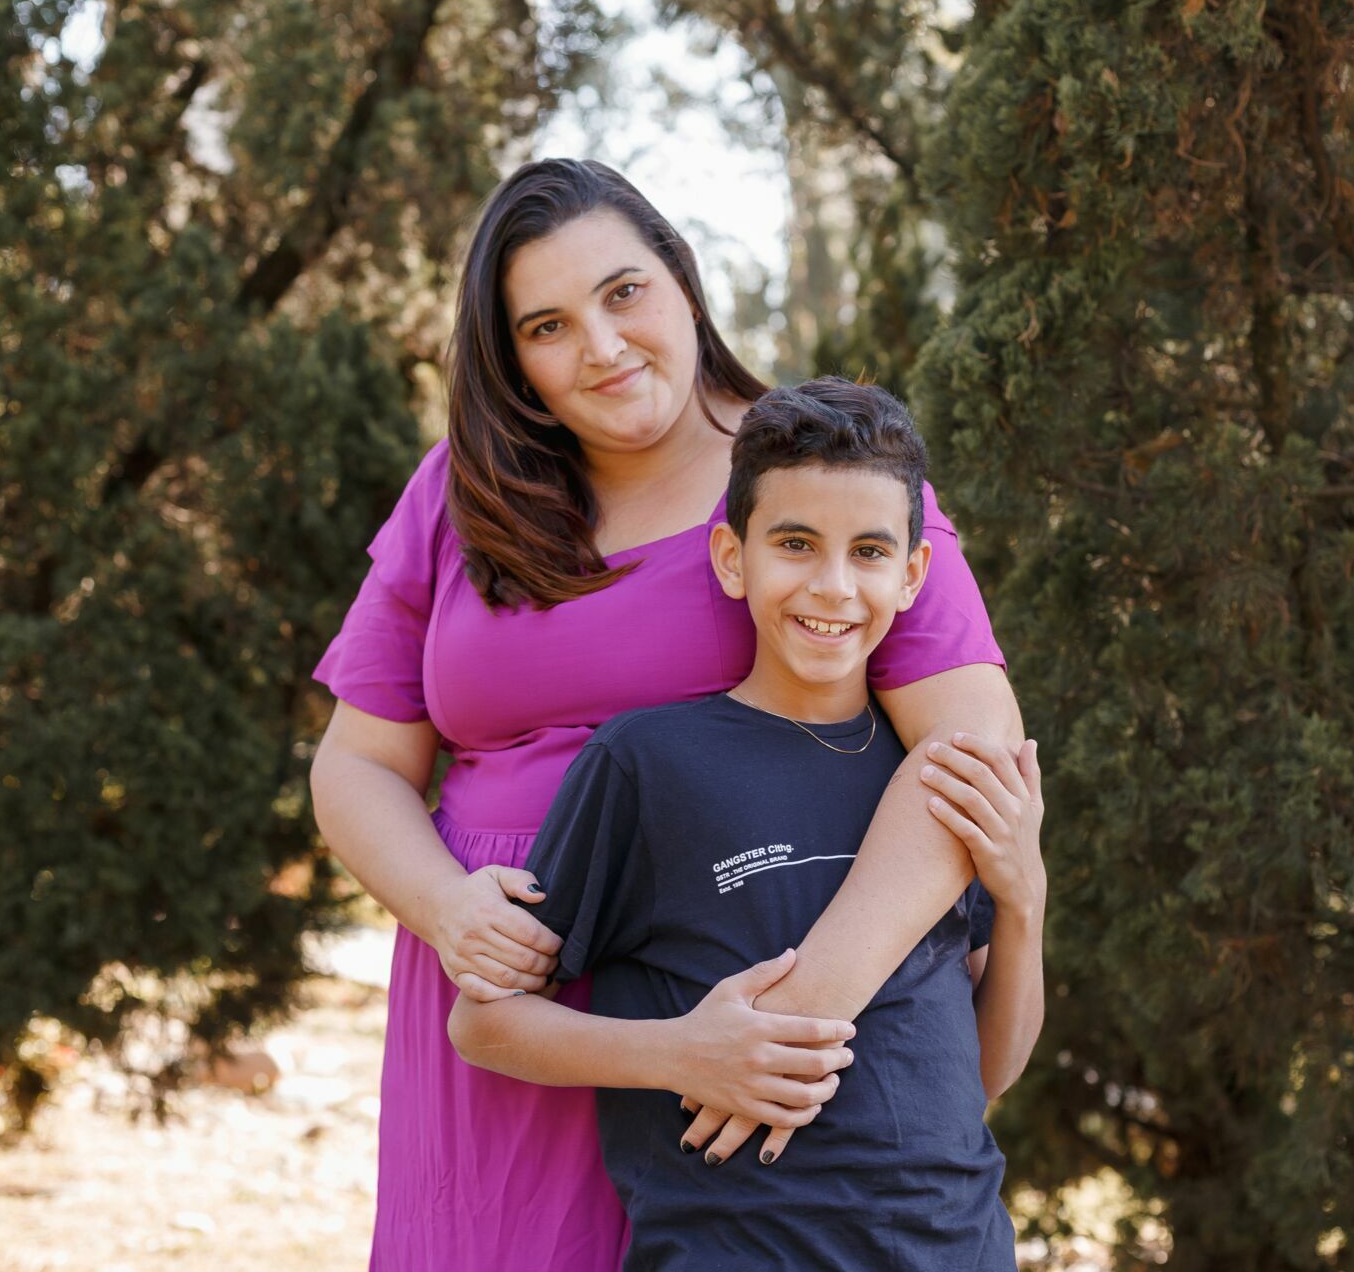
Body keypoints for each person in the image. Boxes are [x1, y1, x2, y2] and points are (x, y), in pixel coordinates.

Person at [308, 157, 1033, 1270]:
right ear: (513, 360)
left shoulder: (811, 483)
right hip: (513, 1011)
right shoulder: (459, 493)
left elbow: (970, 752)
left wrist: (789, 1025)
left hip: (741, 1008)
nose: (601, 346)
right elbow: (356, 763)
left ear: (684, 283)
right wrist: (449, 908)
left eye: (624, 292)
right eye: (547, 326)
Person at [447, 378, 1045, 1271]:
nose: (833, 586)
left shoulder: (936, 791)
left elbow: (990, 1073)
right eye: (796, 544)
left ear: (914, 575)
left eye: (869, 551)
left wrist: (1027, 903)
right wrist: (677, 1054)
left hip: (959, 1249)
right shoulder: (647, 764)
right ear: (733, 557)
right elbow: (483, 1025)